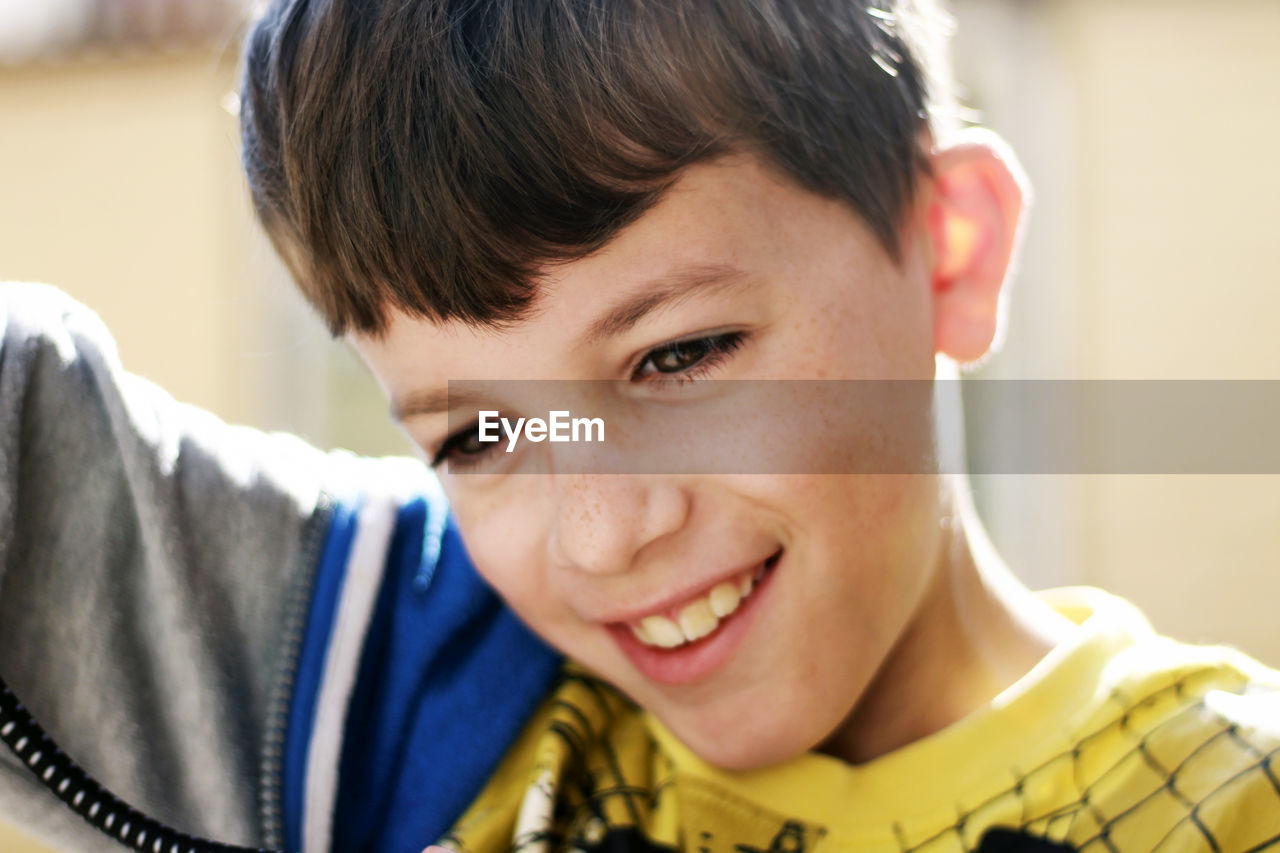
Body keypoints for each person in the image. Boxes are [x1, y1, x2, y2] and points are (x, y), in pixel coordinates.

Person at [1, 1, 1277, 852]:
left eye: (677, 356)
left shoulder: (1234, 806)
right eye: (476, 441)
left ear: (948, 248)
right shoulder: (406, 688)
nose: (605, 534)